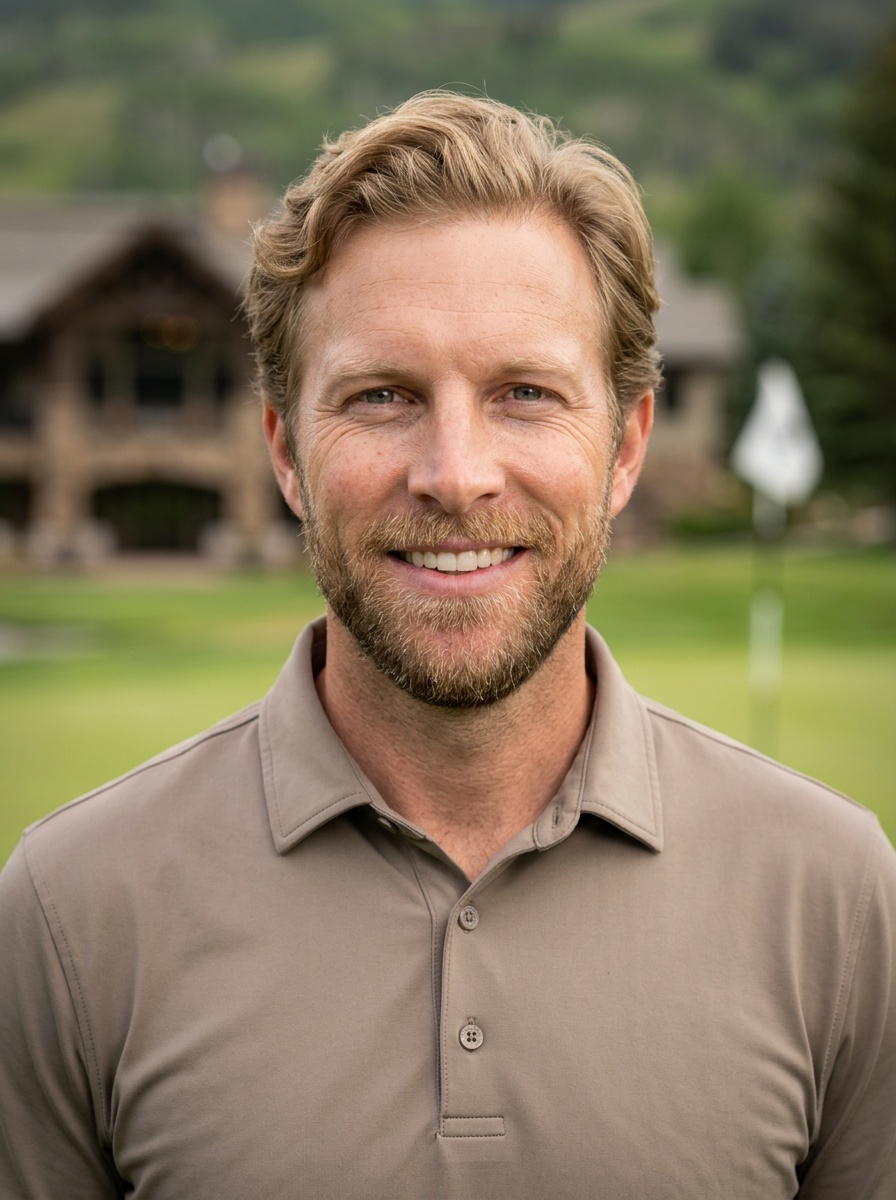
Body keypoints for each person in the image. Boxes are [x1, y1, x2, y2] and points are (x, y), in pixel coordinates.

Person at [0, 92, 893, 1200]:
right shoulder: (69, 910)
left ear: (624, 448)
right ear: (284, 451)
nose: (455, 471)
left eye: (524, 394)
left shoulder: (840, 901)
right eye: (381, 396)